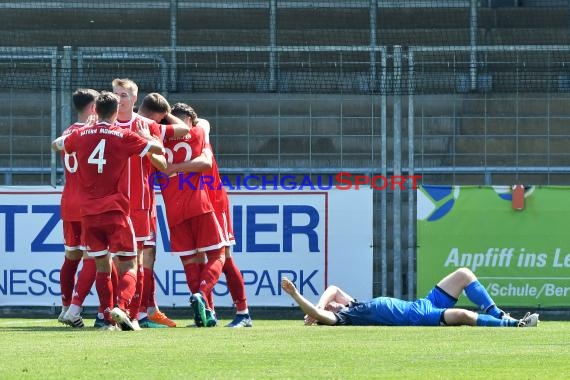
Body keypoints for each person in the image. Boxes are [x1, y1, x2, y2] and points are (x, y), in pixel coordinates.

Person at [52, 91, 165, 331]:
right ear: (115, 112)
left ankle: (105, 318)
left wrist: (68, 141)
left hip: (88, 213)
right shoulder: (123, 135)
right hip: (115, 210)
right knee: (129, 264)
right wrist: (149, 138)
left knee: (101, 264)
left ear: (95, 111)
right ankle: (121, 308)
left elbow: (57, 144)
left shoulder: (79, 134)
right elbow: (155, 152)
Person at [167, 103, 252, 328]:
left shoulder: (195, 133)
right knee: (197, 261)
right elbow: (204, 124)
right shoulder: (196, 132)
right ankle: (208, 312)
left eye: (182, 121)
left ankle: (243, 313)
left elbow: (204, 158)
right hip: (190, 203)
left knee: (224, 257)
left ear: (190, 122)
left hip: (212, 201)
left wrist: (173, 167)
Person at [111, 80, 187, 329]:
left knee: (142, 260)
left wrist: (147, 144)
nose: (119, 99)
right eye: (115, 94)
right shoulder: (102, 124)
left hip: (140, 203)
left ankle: (135, 314)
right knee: (107, 260)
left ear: (134, 99)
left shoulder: (147, 125)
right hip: (109, 203)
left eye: (124, 95)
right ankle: (109, 312)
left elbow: (164, 163)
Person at [281, 267, 539, 328]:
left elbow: (333, 288)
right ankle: (513, 325)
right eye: (331, 308)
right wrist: (297, 296)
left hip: (423, 303)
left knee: (464, 274)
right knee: (464, 316)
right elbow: (319, 315)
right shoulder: (346, 316)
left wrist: (320, 303)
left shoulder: (352, 304)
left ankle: (499, 314)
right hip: (417, 316)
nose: (333, 304)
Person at [158, 103, 227, 328]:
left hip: (173, 209)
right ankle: (201, 293)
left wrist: (171, 168)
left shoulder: (158, 140)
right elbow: (206, 162)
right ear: (186, 120)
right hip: (199, 204)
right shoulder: (196, 133)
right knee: (218, 256)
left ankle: (208, 311)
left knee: (191, 261)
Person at [134, 92, 190, 328]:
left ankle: (149, 309)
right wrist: (166, 115)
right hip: (141, 200)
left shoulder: (121, 122)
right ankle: (138, 313)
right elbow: (184, 130)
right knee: (140, 258)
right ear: (157, 115)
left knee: (141, 256)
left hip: (124, 198)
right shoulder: (149, 127)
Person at [58, 88, 99, 327]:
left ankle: (65, 308)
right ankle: (75, 308)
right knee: (93, 258)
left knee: (71, 256)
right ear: (94, 108)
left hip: (69, 201)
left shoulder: (67, 132)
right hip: (87, 204)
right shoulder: (89, 134)